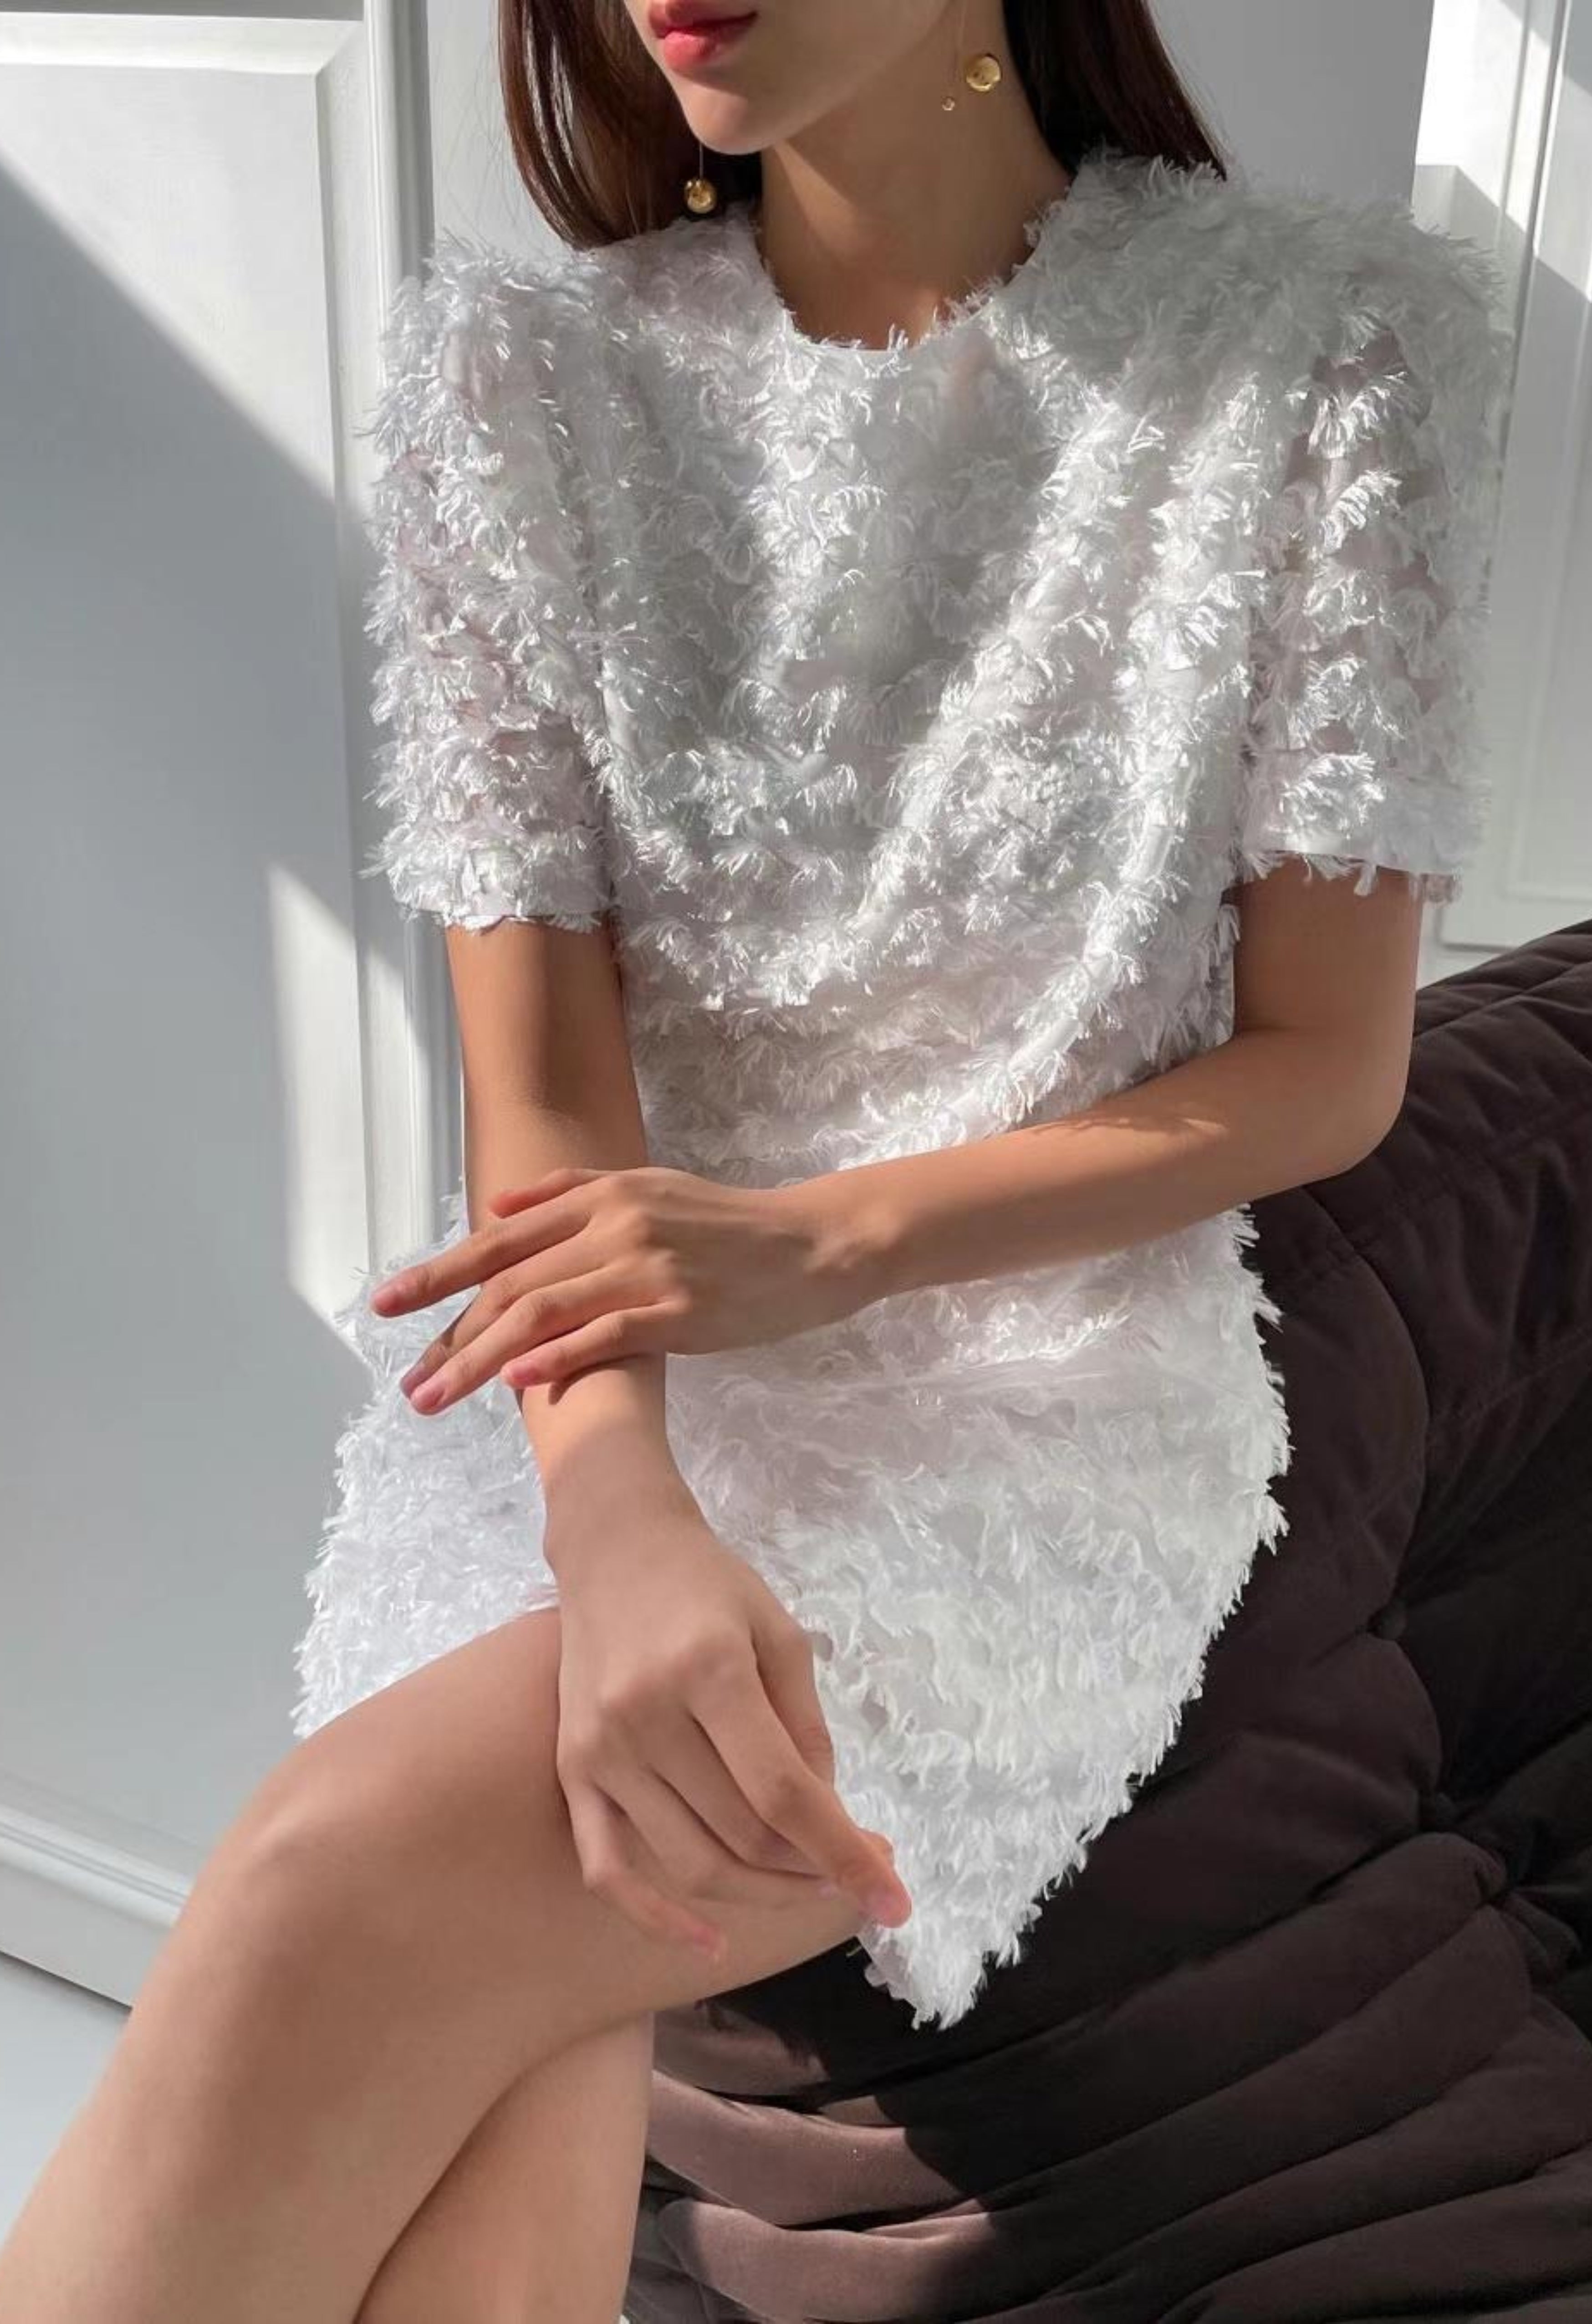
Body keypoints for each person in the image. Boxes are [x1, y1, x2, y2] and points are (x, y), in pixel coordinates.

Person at [0, 1, 1513, 2318]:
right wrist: (615, 1508)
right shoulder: (519, 383)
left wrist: (830, 1238)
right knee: (492, 2115)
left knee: (334, 1891)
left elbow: (1325, 1065)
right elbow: (542, 1086)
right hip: (586, 1381)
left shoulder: (1316, 357)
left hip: (1032, 1397)